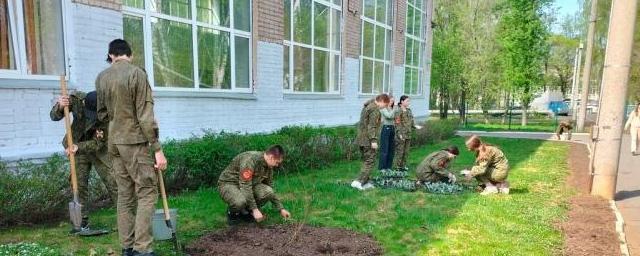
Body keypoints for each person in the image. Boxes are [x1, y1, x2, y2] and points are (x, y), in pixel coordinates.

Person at [97, 39, 167, 256]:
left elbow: (101, 115)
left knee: (125, 195)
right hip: (135, 143)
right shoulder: (137, 74)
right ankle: (143, 249)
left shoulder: (101, 77)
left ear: (111, 55)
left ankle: (127, 247)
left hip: (114, 144)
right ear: (131, 54)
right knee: (146, 192)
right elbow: (146, 117)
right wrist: (157, 149)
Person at [50, 90, 117, 233]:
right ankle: (81, 222)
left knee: (114, 182)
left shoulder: (107, 113)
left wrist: (77, 147)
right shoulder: (76, 99)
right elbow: (54, 116)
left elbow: (98, 143)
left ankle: (127, 220)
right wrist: (60, 107)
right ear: (84, 103)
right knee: (78, 184)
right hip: (76, 145)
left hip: (98, 150)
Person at [218, 145, 292, 224]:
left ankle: (247, 212)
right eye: (277, 162)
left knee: (268, 192)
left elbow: (270, 186)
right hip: (229, 183)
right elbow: (245, 186)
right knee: (239, 202)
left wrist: (281, 209)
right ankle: (232, 213)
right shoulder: (250, 160)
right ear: (271, 157)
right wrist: (255, 209)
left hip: (248, 184)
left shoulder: (269, 167)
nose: (277, 165)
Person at [351, 94, 391, 190]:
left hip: (362, 138)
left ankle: (365, 182)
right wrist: (373, 140)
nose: (384, 107)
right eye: (385, 105)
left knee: (366, 160)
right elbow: (371, 126)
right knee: (370, 161)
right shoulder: (375, 110)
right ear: (381, 101)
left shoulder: (368, 106)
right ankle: (358, 182)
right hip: (368, 140)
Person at [393, 95, 423, 171]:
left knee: (406, 152)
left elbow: (411, 122)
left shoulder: (409, 110)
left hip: (408, 134)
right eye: (407, 101)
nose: (408, 102)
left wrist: (416, 126)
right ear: (402, 102)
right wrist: (399, 134)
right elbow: (397, 123)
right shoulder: (398, 111)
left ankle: (403, 166)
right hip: (401, 135)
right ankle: (398, 167)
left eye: (409, 101)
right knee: (400, 152)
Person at [378, 97, 399, 171]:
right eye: (390, 101)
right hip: (386, 128)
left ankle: (388, 167)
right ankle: (382, 167)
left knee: (391, 149)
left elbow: (396, 117)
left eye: (393, 101)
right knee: (385, 149)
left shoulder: (391, 109)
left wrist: (396, 110)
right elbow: (389, 116)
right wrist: (394, 109)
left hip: (392, 128)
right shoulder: (383, 109)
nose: (392, 102)